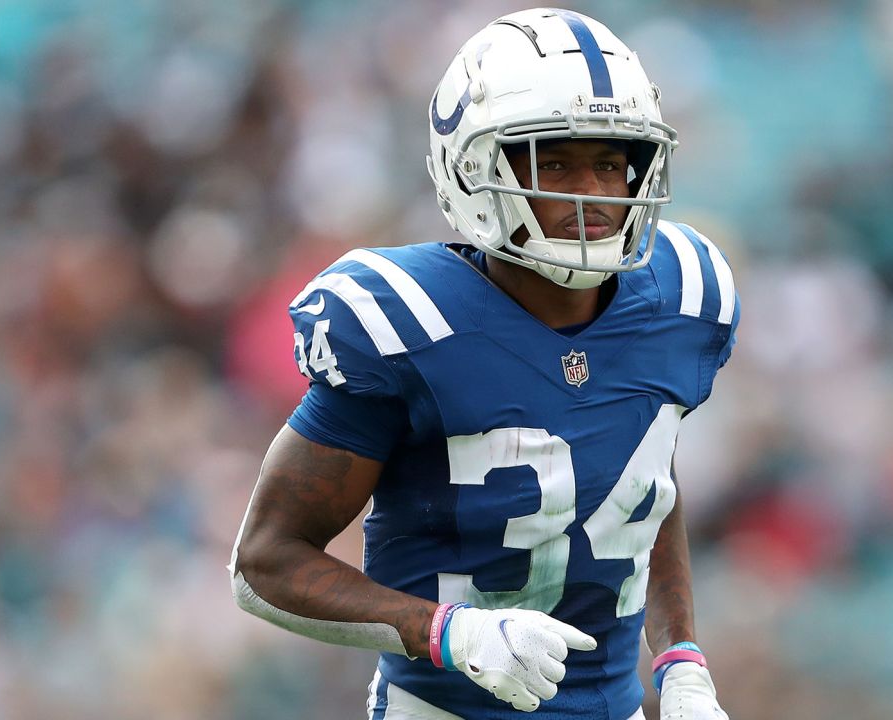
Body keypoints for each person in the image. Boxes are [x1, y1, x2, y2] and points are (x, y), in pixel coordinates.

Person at [230, 8, 736, 719]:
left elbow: (643, 483)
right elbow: (265, 563)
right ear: (474, 169)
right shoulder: (411, 324)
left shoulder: (680, 300)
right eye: (553, 161)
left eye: (610, 162)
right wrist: (446, 632)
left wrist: (681, 659)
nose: (588, 194)